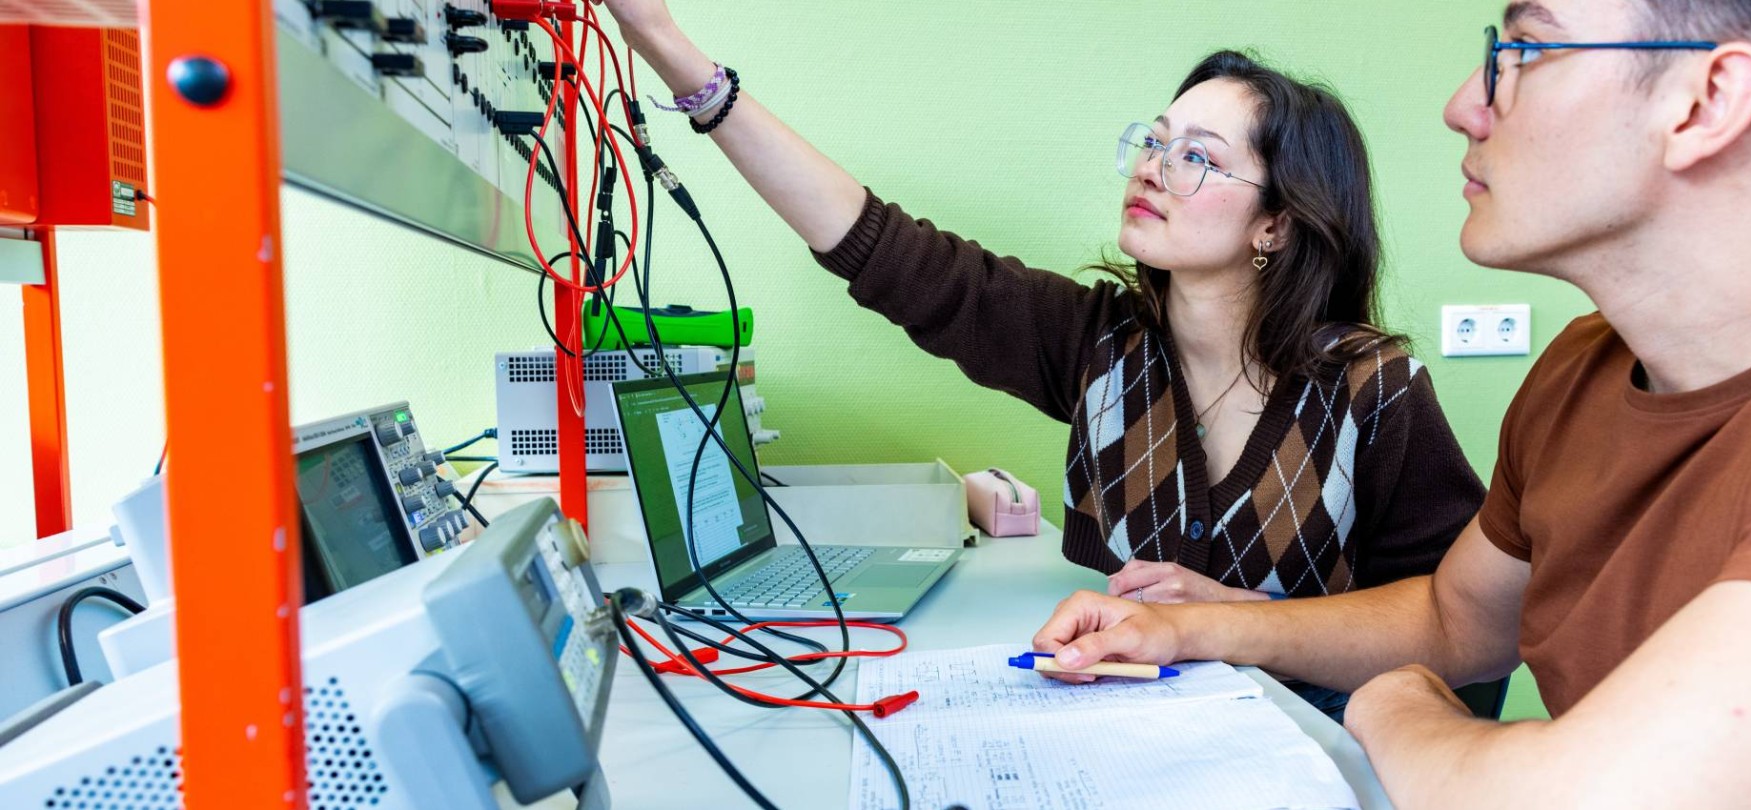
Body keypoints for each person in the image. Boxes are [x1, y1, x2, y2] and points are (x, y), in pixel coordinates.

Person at [1031, 1, 1751, 807]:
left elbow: (1588, 795)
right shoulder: (1580, 370)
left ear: (1708, 101)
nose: (1465, 106)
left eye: (1522, 50)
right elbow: (1456, 620)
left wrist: (1395, 705)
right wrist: (1199, 624)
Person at [595, 1, 1487, 716]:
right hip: (1132, 741)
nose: (1150, 167)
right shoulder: (1105, 349)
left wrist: (1241, 625)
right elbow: (878, 248)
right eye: (1154, 141)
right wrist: (677, 56)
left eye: (1196, 159)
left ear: (1277, 224)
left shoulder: (1374, 392)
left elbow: (1471, 640)